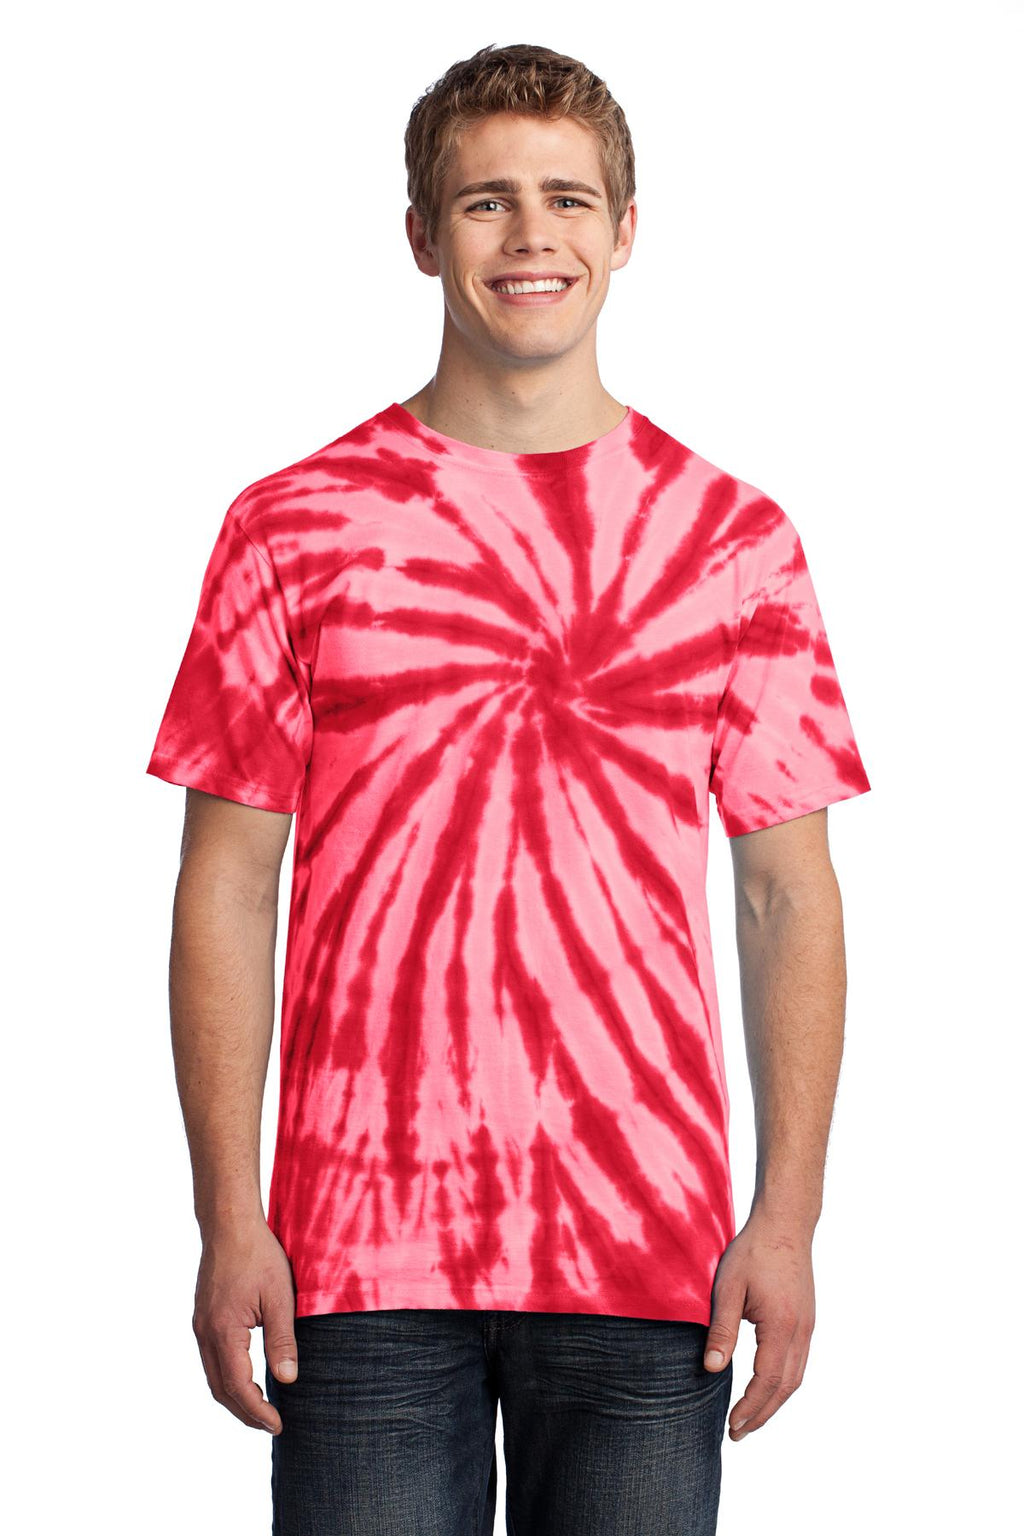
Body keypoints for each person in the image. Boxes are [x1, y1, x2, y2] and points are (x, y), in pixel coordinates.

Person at [146, 41, 871, 1536]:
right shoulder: (291, 526)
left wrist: (788, 1217)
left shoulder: (734, 540)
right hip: (353, 1250)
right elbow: (226, 879)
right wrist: (228, 1215)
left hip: (648, 1248)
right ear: (422, 235)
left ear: (626, 230)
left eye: (567, 199)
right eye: (486, 202)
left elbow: (786, 893)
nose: (531, 235)